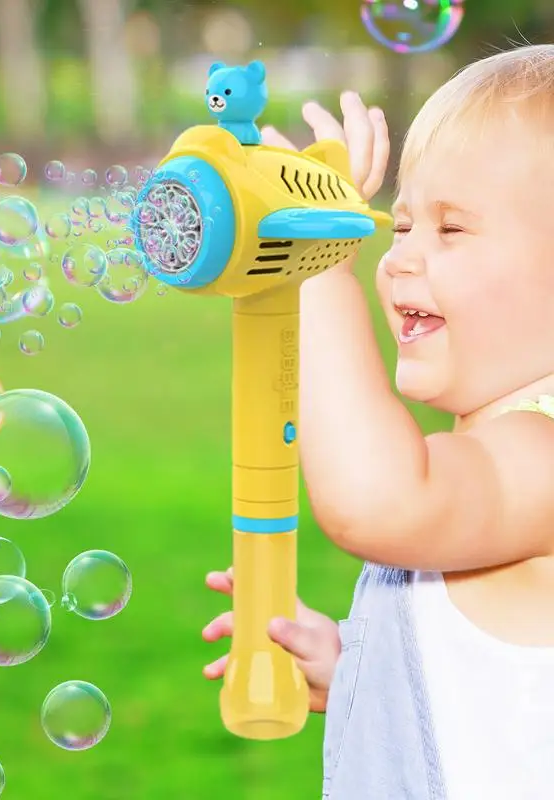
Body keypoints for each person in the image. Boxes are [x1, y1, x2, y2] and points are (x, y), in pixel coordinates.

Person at [202, 43, 554, 800]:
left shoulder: (546, 457)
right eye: (397, 227)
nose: (395, 261)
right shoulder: (493, 461)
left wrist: (321, 261)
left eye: (450, 230)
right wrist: (358, 665)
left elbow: (378, 499)